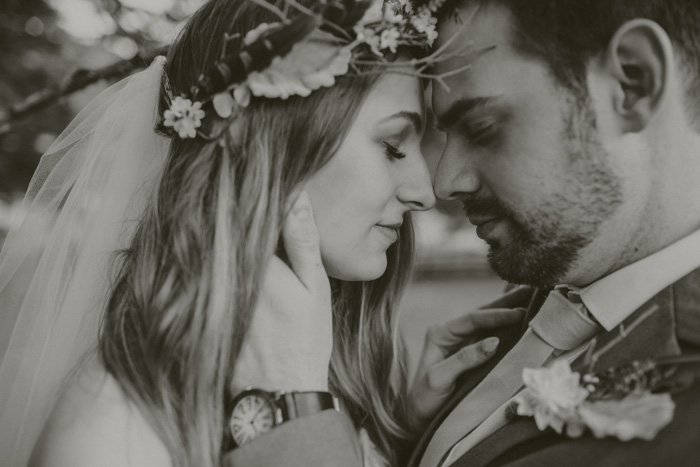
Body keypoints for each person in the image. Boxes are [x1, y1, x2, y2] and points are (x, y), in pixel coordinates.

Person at [0, 0, 520, 466]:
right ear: (272, 150)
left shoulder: (332, 366)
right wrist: (294, 406)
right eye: (391, 145)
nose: (425, 192)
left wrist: (404, 434)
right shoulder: (111, 435)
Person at [405, 1, 700, 466]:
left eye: (481, 127)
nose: (444, 181)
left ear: (632, 81)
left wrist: (295, 413)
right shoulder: (541, 291)